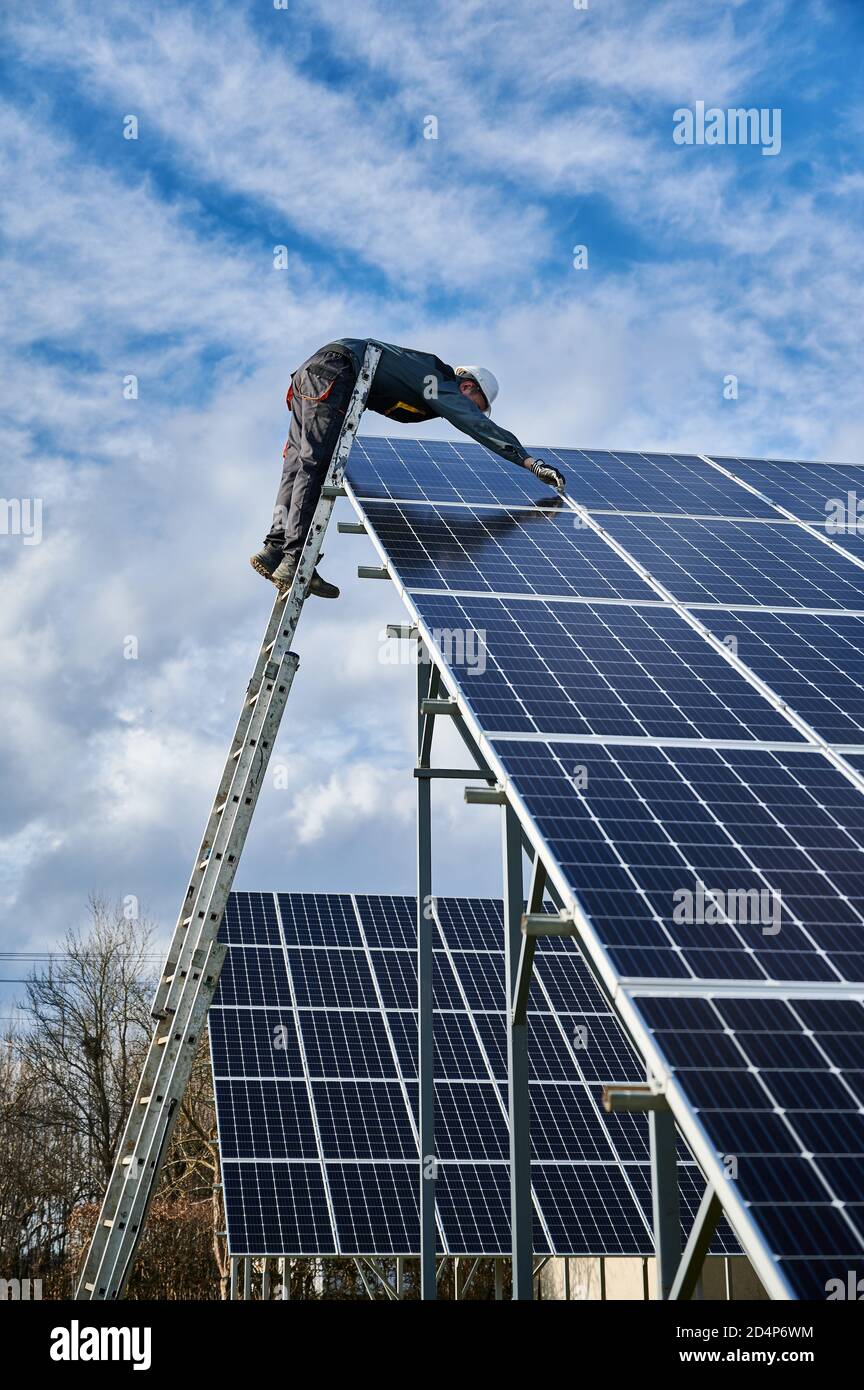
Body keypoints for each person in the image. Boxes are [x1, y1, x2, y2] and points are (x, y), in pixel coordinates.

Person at [251, 339, 567, 598]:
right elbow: (473, 424)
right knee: (314, 464)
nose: (472, 412)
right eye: (476, 405)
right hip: (335, 371)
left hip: (315, 374)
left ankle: (275, 548)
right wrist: (528, 462)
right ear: (467, 386)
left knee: (297, 465)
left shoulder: (423, 377)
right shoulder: (438, 382)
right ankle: (293, 558)